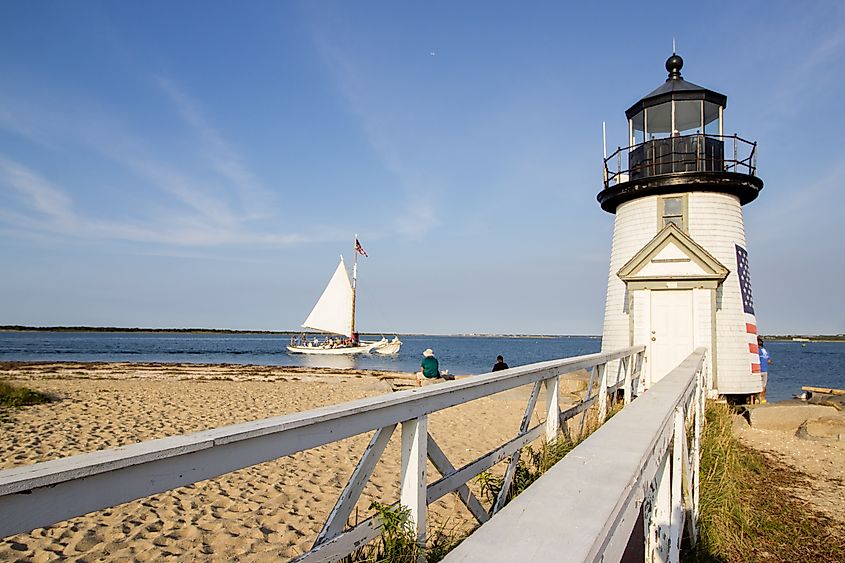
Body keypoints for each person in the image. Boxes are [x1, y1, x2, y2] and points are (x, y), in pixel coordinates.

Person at [757, 336, 772, 403]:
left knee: (757, 385)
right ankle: (763, 399)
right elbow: (769, 361)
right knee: (764, 386)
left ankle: (758, 399)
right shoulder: (765, 351)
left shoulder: (757, 351)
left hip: (758, 370)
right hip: (765, 370)